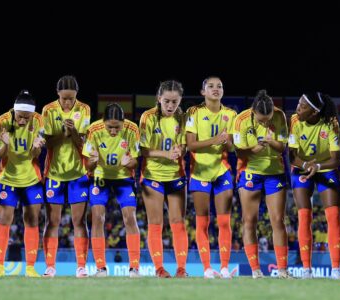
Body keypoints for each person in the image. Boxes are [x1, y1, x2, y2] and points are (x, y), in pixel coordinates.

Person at [233, 90, 292, 279]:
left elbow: (283, 147)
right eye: (261, 120)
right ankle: (255, 270)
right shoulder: (241, 120)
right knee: (249, 221)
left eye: (268, 119)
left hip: (275, 173)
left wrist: (271, 141)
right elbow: (238, 152)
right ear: (253, 112)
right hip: (250, 172)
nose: (265, 123)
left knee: (278, 221)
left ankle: (282, 269)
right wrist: (255, 149)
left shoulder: (280, 115)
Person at [186, 76, 237, 279]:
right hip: (199, 171)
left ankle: (224, 268)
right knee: (203, 222)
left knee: (224, 221)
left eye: (220, 86)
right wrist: (215, 140)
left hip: (222, 170)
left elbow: (232, 147)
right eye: (211, 86)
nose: (216, 89)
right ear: (203, 92)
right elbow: (190, 145)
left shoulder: (231, 114)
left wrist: (226, 143)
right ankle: (207, 269)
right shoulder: (194, 113)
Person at [82, 103, 141, 277]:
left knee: (130, 218)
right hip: (100, 176)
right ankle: (100, 268)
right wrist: (93, 161)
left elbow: (136, 161)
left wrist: (128, 162)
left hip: (123, 177)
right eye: (110, 127)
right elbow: (88, 164)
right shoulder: (93, 129)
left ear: (124, 123)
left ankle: (134, 268)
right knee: (98, 218)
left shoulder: (133, 129)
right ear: (103, 122)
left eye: (117, 127)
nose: (114, 131)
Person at [289, 92, 340, 279]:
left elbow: (336, 160)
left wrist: (317, 166)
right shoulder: (294, 121)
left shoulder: (331, 124)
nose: (297, 108)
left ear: (314, 112)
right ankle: (306, 269)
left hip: (325, 168)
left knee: (334, 216)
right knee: (304, 215)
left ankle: (336, 269)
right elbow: (292, 156)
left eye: (302, 106)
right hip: (302, 168)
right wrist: (306, 165)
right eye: (298, 103)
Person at [41, 75, 91, 278]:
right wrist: (63, 132)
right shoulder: (48, 110)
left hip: (78, 174)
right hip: (54, 173)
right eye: (64, 98)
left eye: (71, 98)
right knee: (52, 222)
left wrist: (74, 133)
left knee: (79, 222)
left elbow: (84, 145)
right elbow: (47, 144)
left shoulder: (84, 109)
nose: (68, 102)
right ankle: (50, 266)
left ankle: (81, 266)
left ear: (76, 95)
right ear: (58, 95)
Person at [0, 90, 45, 277]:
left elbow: (34, 155)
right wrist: (5, 143)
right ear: (14, 112)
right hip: (8, 177)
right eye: (20, 117)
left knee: (31, 220)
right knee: (4, 219)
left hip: (31, 178)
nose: (23, 121)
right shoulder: (2, 121)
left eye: (27, 117)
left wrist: (37, 148)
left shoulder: (39, 120)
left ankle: (30, 267)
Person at [140, 80, 189, 278]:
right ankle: (159, 269)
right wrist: (165, 154)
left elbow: (185, 144)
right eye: (166, 101)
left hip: (176, 176)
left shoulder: (183, 118)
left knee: (178, 222)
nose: (170, 106)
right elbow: (143, 150)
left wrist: (181, 149)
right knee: (156, 223)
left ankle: (181, 269)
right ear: (159, 98)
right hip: (153, 176)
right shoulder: (148, 117)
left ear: (180, 101)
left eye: (174, 102)